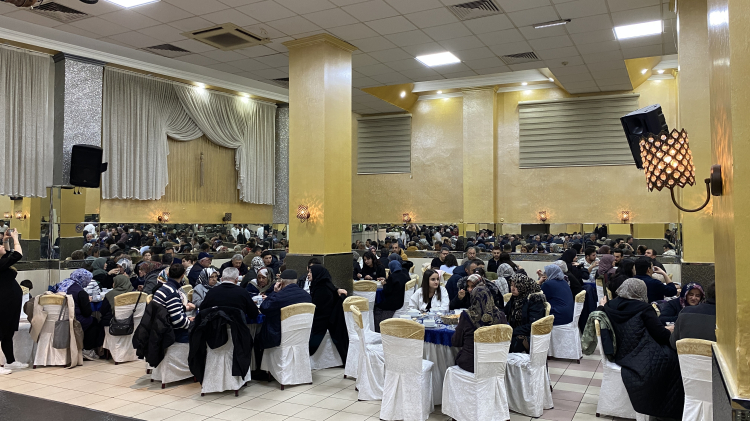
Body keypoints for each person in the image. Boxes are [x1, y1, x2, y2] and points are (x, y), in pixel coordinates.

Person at [601, 279, 684, 419]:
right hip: (640, 353)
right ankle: (669, 410)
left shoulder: (609, 305)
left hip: (620, 352)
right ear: (640, 292)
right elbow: (661, 335)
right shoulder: (644, 308)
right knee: (673, 359)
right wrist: (669, 330)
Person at [257, 270, 312, 360]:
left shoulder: (279, 296)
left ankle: (261, 367)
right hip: (301, 336)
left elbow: (264, 308)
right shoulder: (307, 296)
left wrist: (274, 292)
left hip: (279, 337)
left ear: (281, 282)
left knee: (257, 338)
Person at [452, 285, 508, 373]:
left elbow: (456, 342)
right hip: (495, 364)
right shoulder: (500, 316)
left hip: (471, 364)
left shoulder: (467, 316)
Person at [58, 269, 103, 361]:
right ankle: (87, 350)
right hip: (73, 319)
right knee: (93, 322)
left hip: (59, 317)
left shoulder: (62, 285)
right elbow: (87, 312)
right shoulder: (80, 292)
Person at [308, 265, 349, 362]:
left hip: (323, 320)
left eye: (310, 272)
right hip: (327, 317)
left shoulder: (322, 289)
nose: (308, 274)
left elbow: (320, 309)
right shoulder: (323, 284)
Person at [0, 229, 26, 372]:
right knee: (1, 332)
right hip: (2, 303)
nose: (2, 246)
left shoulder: (2, 262)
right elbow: (17, 255)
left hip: (10, 303)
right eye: (0, 245)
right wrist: (16, 238)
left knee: (8, 333)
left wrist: (6, 240)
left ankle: (10, 361)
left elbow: (8, 254)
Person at [504, 273, 547, 353]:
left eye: (516, 286)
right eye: (511, 285)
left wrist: (511, 331)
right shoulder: (516, 297)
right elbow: (505, 312)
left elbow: (532, 325)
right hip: (513, 331)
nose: (512, 289)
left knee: (502, 345)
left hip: (527, 335)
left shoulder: (534, 300)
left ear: (524, 286)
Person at [153, 264, 194, 343]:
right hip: (171, 333)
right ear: (182, 276)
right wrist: (192, 324)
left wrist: (187, 319)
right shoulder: (172, 292)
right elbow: (177, 321)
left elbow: (173, 313)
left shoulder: (163, 288)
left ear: (168, 275)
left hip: (160, 328)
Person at [671, 282, 716, 348]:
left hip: (685, 354)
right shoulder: (726, 316)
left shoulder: (685, 312)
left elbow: (673, 343)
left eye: (697, 295)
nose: (693, 298)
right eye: (691, 294)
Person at [374, 260, 411, 331]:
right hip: (402, 300)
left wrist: (384, 284)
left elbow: (387, 291)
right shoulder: (405, 274)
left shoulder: (393, 277)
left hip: (393, 302)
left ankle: (378, 328)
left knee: (377, 306)